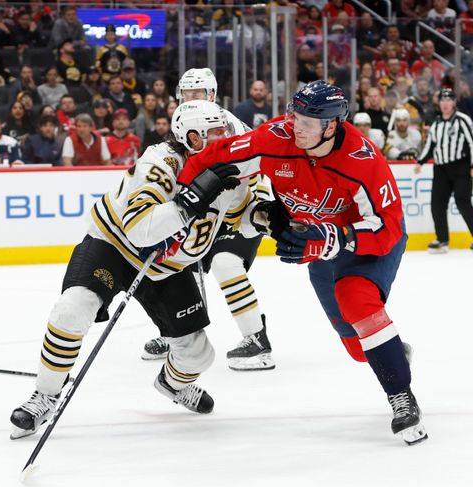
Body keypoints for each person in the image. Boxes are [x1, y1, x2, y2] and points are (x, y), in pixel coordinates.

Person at [181, 80, 427, 445]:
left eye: (308, 122)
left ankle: (401, 397)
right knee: (358, 348)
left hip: (366, 242)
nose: (296, 126)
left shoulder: (363, 161)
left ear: (331, 126)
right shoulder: (277, 138)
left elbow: (388, 228)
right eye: (295, 115)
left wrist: (335, 238)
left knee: (355, 298)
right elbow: (219, 154)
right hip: (319, 247)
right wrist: (183, 193)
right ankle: (391, 351)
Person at [9, 100, 247, 438]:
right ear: (192, 138)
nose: (225, 140)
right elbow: (139, 228)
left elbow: (241, 216)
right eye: (215, 134)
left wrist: (273, 220)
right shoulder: (161, 162)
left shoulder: (229, 175)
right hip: (115, 246)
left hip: (164, 266)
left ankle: (172, 384)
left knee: (199, 355)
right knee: (71, 310)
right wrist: (188, 201)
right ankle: (45, 396)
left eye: (226, 132)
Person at [142, 67, 274, 370]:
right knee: (176, 267)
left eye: (197, 93)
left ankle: (256, 339)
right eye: (186, 93)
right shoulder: (184, 121)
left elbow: (257, 166)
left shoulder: (231, 126)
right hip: (206, 210)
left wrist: (262, 206)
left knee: (225, 264)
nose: (191, 98)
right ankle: (177, 333)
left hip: (238, 208)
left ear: (212, 95)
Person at [415, 88, 473, 253]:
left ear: (454, 102)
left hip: (460, 166)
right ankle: (442, 239)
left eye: (449, 100)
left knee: (463, 202)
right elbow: (430, 146)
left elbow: (471, 143)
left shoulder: (463, 120)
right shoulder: (437, 123)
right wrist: (421, 162)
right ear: (439, 103)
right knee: (437, 204)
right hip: (440, 168)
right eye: (443, 101)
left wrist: (472, 165)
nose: (446, 104)